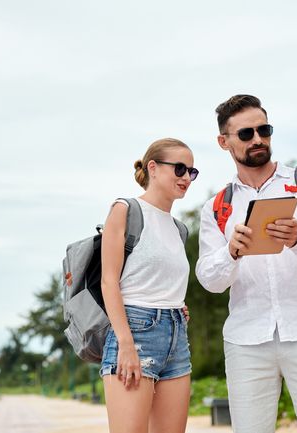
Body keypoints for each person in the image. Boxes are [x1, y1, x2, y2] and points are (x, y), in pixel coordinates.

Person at [196, 95, 297, 433]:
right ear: (224, 142)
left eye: (264, 130)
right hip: (245, 341)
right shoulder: (216, 207)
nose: (257, 139)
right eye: (246, 134)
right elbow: (209, 280)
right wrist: (231, 252)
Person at [100, 138, 198, 433]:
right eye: (180, 169)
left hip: (176, 336)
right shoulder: (125, 210)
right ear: (153, 168)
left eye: (192, 172)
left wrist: (176, 305)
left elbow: (158, 277)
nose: (186, 178)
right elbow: (109, 281)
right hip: (135, 331)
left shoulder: (179, 228)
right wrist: (126, 345)